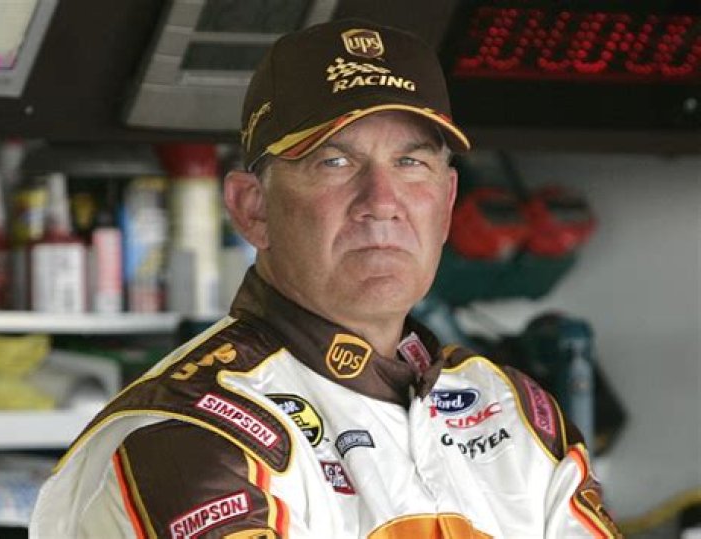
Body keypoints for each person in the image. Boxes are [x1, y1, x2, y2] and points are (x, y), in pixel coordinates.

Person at [31, 19, 621, 538]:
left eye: (410, 162)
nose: (382, 201)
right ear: (252, 208)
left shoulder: (517, 414)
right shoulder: (191, 435)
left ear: (446, 205)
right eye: (334, 162)